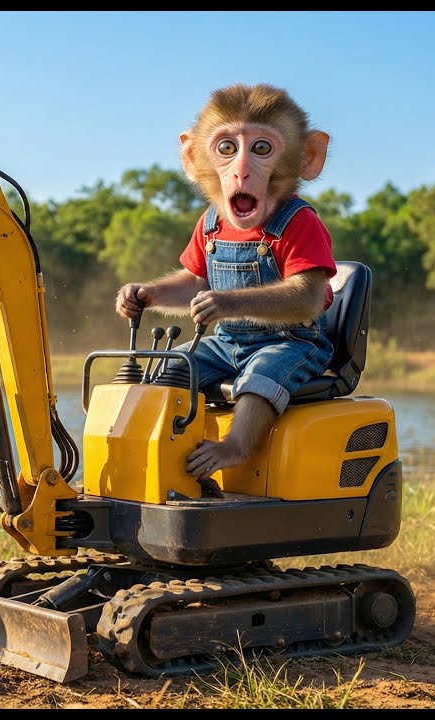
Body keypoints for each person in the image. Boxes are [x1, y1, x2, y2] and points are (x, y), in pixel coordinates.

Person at [115, 83, 337, 488]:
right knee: (168, 370)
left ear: (307, 156)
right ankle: (166, 462)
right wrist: (150, 294)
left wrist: (229, 302)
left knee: (260, 380)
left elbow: (306, 298)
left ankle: (235, 447)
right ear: (192, 157)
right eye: (226, 148)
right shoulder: (211, 224)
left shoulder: (298, 221)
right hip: (228, 342)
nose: (242, 170)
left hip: (292, 342)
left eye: (262, 149)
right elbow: (194, 283)